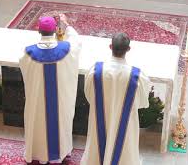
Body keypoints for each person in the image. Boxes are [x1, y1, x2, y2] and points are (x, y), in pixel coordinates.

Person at [19, 15, 82, 165]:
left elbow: (24, 70)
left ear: (38, 31)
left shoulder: (28, 53)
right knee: (61, 122)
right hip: (60, 102)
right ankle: (59, 153)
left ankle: (37, 154)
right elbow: (77, 42)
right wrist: (67, 26)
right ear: (55, 30)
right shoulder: (66, 49)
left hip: (38, 102)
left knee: (37, 122)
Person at [81, 33, 150, 165]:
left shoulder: (96, 70)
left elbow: (89, 95)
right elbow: (142, 103)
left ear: (110, 46)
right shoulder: (137, 76)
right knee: (124, 144)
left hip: (100, 118)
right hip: (126, 123)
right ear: (128, 49)